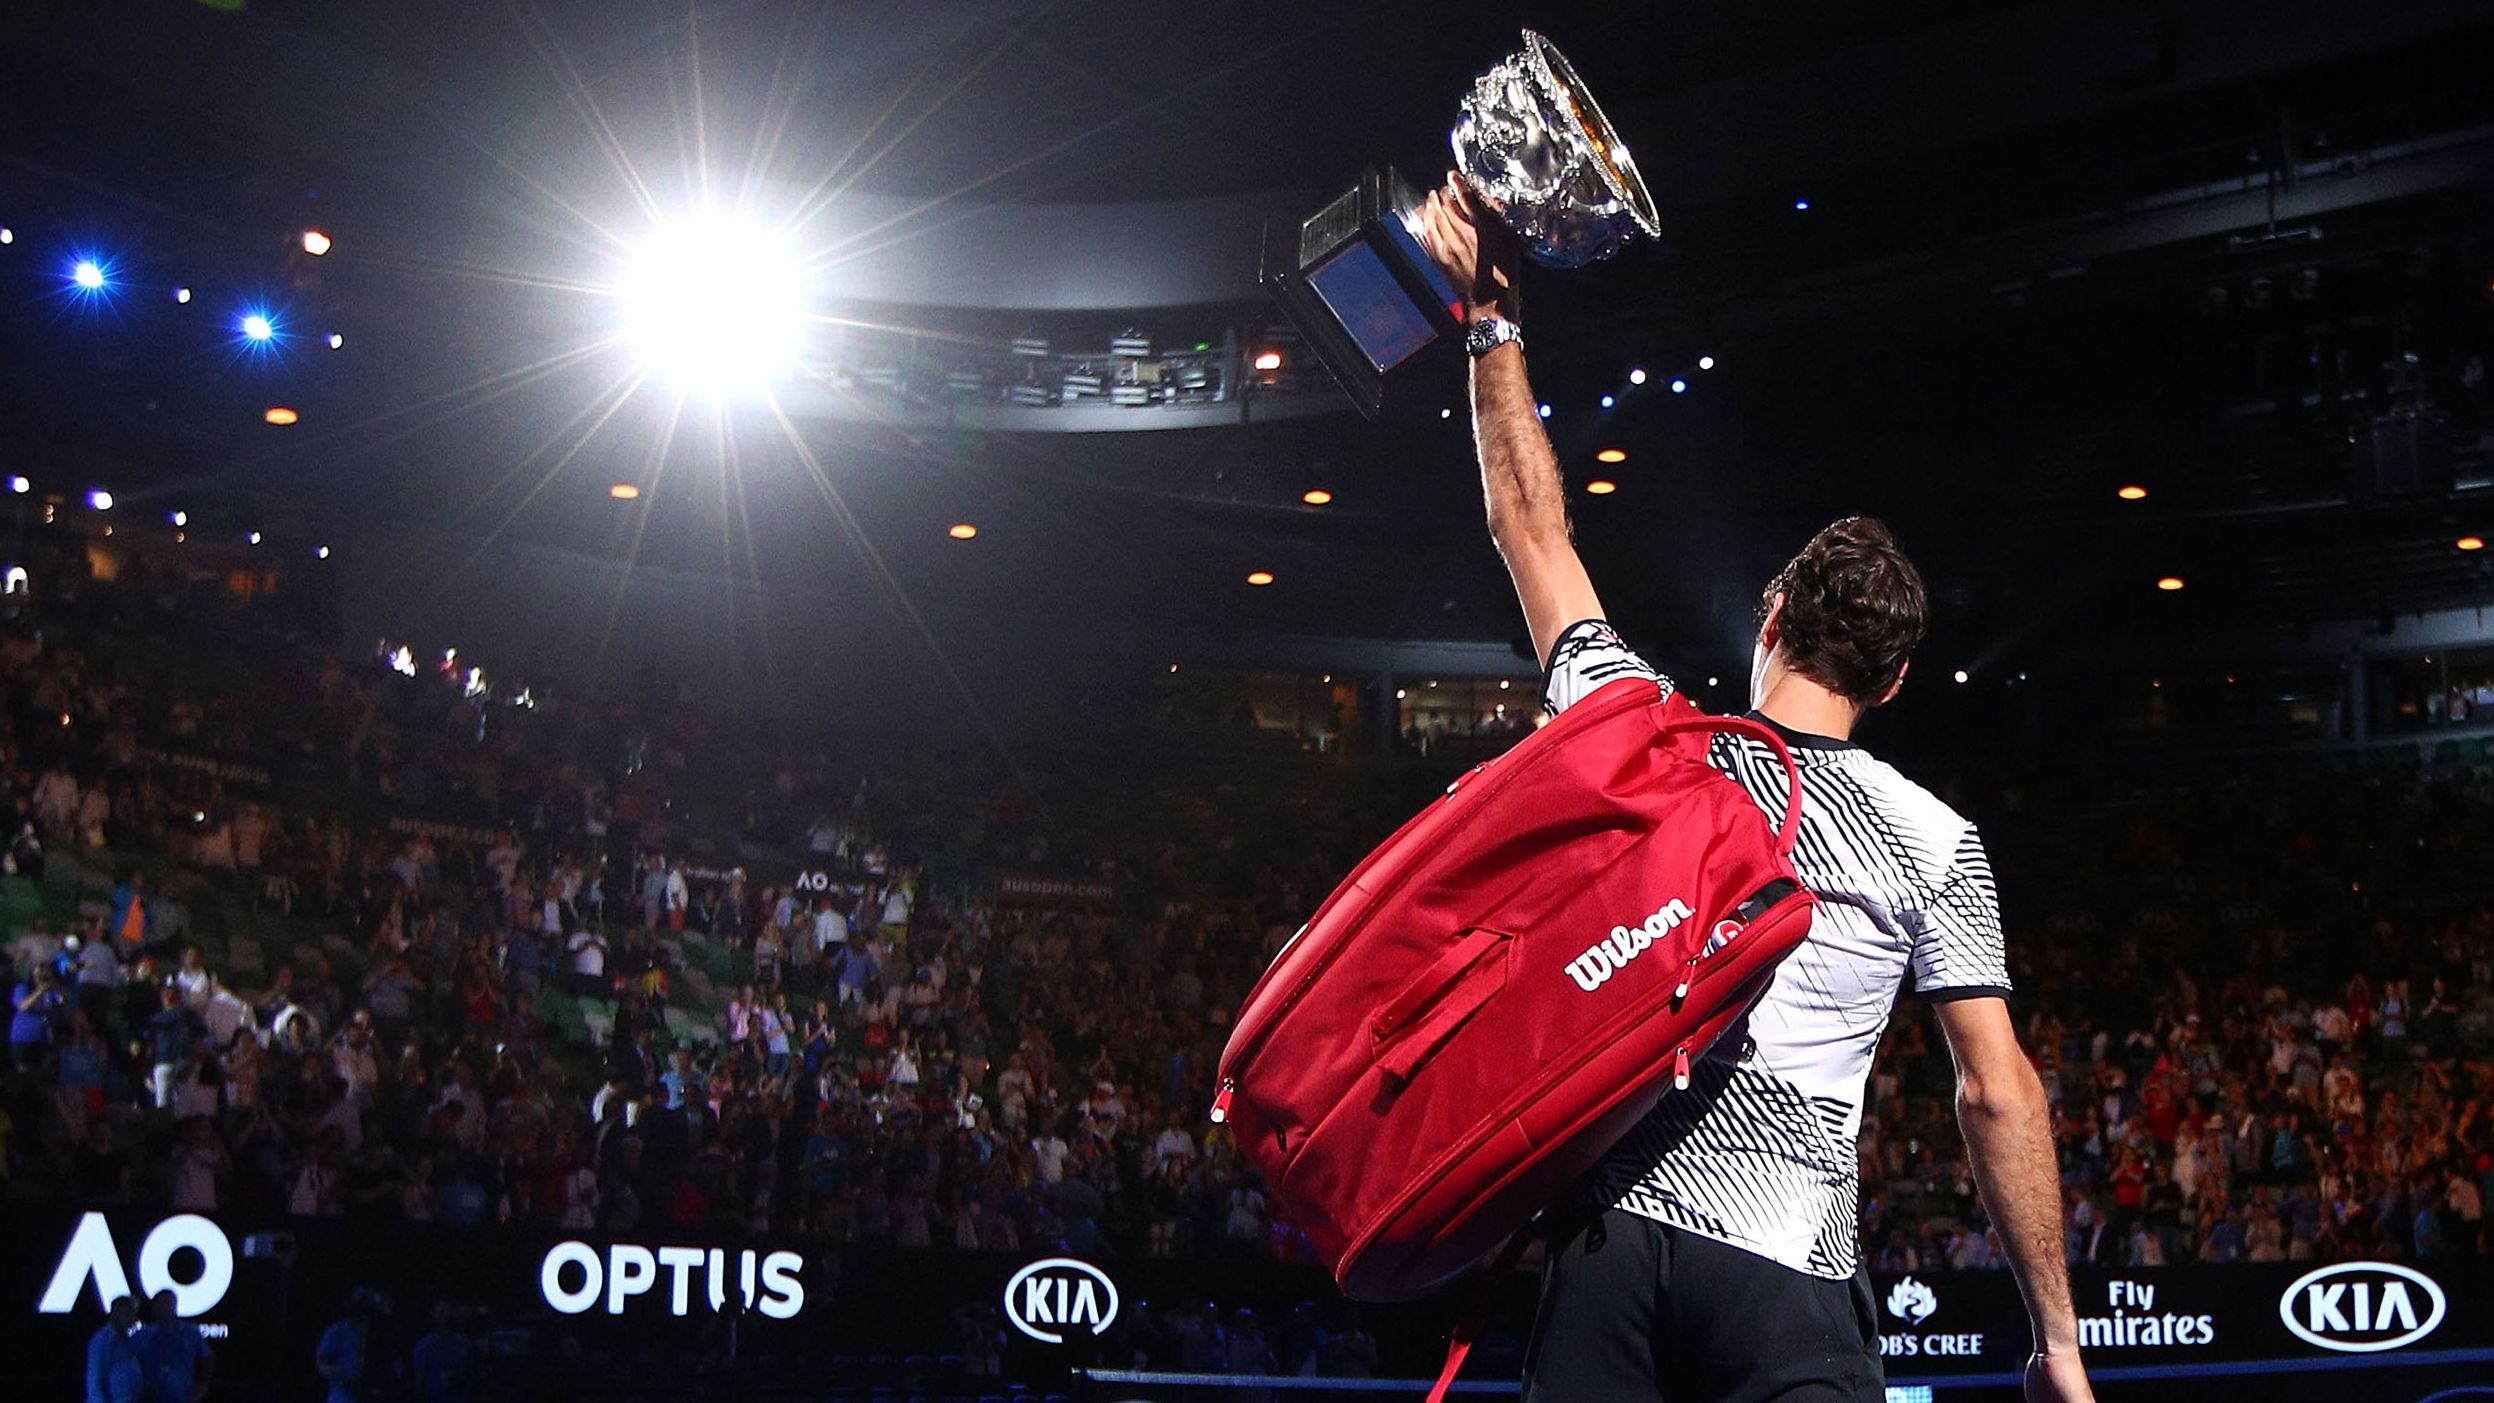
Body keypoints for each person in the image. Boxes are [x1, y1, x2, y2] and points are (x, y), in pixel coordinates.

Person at [1415, 181, 2092, 1403]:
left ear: (1769, 620)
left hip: (1607, 1250)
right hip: (1784, 1264)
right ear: (1890, 684)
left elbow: (1530, 528)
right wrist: (2053, 1337)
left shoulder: (1643, 732)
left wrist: (1490, 317)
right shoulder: (1934, 840)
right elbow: (1994, 1088)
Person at [134, 1288, 213, 1403]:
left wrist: (203, 1386)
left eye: (169, 1303)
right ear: (154, 1307)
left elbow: (208, 1357)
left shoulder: (190, 1333)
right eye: (162, 1303)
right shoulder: (143, 1335)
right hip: (150, 1397)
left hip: (182, 1396)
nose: (166, 1307)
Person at [316, 1289, 388, 1403]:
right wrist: (347, 1380)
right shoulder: (338, 1330)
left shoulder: (380, 1335)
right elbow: (323, 1362)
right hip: (343, 1397)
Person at [87, 1295, 144, 1403]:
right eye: (126, 1313)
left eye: (132, 1314)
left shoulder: (128, 1340)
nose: (131, 1318)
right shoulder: (103, 1340)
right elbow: (95, 1377)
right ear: (115, 1313)